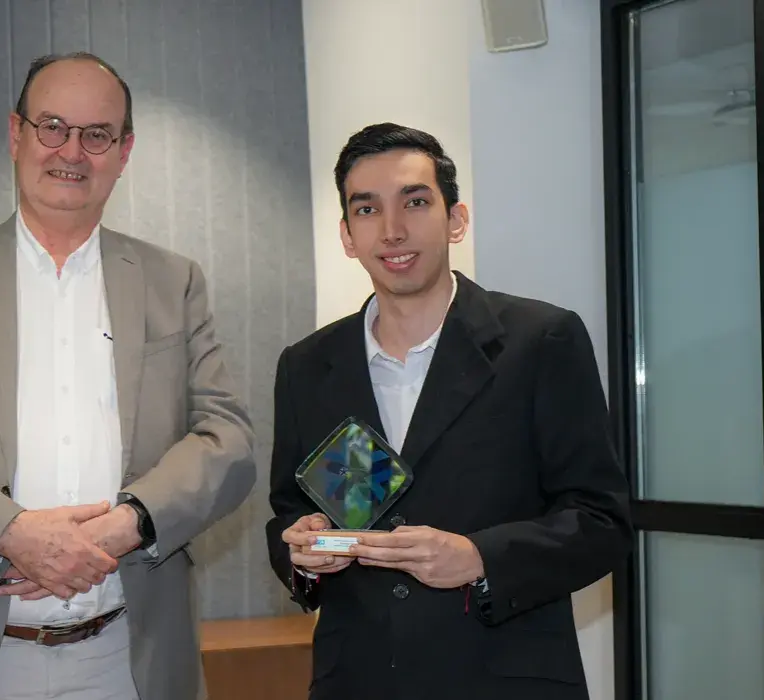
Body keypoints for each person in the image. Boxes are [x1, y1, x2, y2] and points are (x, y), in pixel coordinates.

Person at [0, 52, 255, 700]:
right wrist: (13, 534)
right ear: (17, 135)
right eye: (53, 127)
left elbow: (228, 441)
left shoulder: (173, 282)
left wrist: (126, 525)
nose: (72, 151)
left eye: (97, 135)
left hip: (130, 659)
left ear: (124, 152)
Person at [265, 122, 632, 700]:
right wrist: (304, 550)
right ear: (346, 234)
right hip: (356, 679)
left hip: (503, 679)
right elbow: (288, 510)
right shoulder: (307, 365)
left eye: (415, 202)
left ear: (455, 218)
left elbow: (601, 522)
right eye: (367, 210)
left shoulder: (541, 342)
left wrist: (479, 557)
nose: (391, 230)